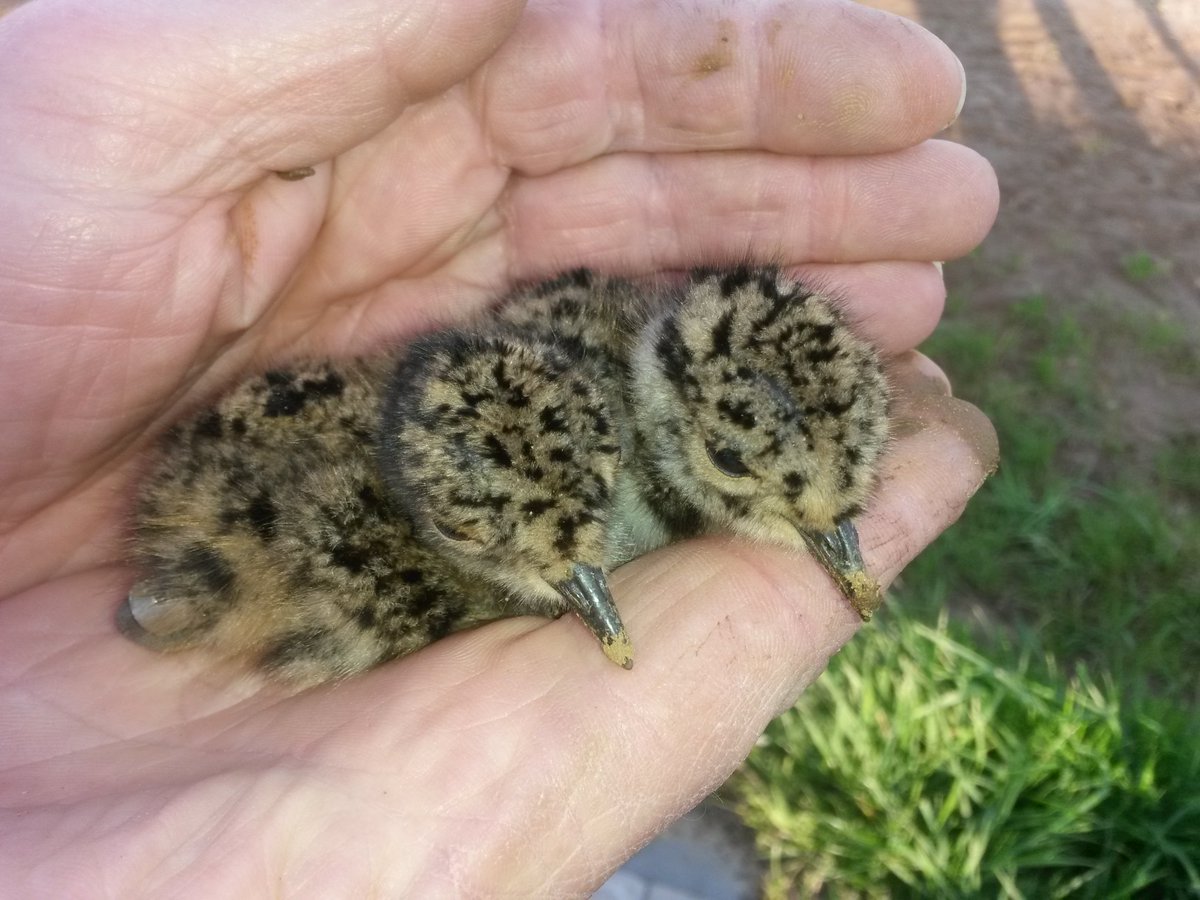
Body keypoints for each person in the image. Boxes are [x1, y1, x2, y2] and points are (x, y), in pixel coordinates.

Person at [0, 0, 998, 895]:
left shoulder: (592, 385)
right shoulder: (539, 439)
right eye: (748, 474)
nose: (824, 526)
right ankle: (214, 588)